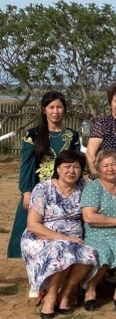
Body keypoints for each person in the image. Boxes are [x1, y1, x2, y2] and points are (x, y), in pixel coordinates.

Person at [9, 91, 81, 267]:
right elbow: (27, 165)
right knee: (32, 228)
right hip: (38, 190)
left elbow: (76, 164)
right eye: (51, 107)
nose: (55, 111)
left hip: (64, 191)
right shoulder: (33, 135)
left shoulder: (72, 136)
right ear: (44, 110)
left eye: (59, 107)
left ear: (64, 110)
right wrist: (27, 191)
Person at [21, 150, 95, 319]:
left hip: (73, 239)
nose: (72, 171)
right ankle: (50, 297)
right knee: (62, 250)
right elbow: (33, 225)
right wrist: (65, 238)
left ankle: (65, 295)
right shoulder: (43, 188)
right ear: (58, 169)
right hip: (41, 237)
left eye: (76, 167)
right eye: (67, 166)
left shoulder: (83, 187)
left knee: (90, 254)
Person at [81, 150, 116, 313]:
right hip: (96, 233)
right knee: (103, 252)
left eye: (113, 164)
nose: (110, 169)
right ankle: (91, 289)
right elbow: (89, 216)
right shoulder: (93, 187)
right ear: (98, 169)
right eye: (105, 166)